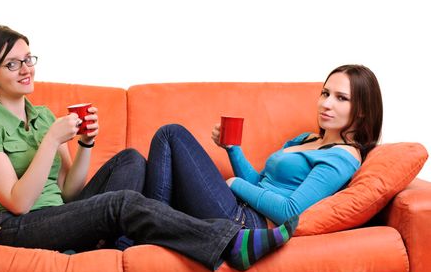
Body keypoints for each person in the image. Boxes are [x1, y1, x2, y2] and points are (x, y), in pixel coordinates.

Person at [0, 25, 298, 272]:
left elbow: (67, 192)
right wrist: (51, 141)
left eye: (28, 58)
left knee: (131, 160)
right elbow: (19, 203)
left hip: (54, 215)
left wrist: (85, 144)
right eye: (12, 64)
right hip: (9, 227)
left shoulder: (42, 116)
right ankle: (229, 241)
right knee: (119, 203)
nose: (26, 69)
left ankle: (110, 239)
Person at [144, 64, 383, 229]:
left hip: (247, 221)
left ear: (361, 110)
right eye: (325, 93)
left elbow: (291, 212)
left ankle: (153, 229)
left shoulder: (342, 157)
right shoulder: (306, 139)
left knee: (171, 134)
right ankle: (152, 229)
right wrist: (232, 148)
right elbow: (259, 183)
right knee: (137, 163)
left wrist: (234, 184)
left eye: (341, 98)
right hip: (237, 206)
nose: (326, 104)